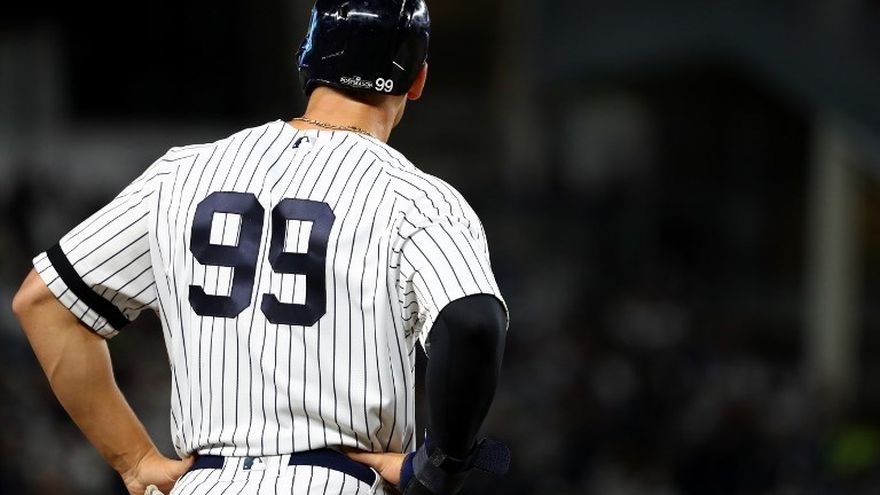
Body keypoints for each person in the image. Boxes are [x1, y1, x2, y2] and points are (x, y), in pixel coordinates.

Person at [12, 1, 509, 494]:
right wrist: (441, 464)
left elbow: (43, 302)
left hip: (205, 482)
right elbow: (471, 322)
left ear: (307, 62)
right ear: (418, 80)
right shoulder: (416, 198)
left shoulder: (181, 174)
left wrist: (135, 460)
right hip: (335, 481)